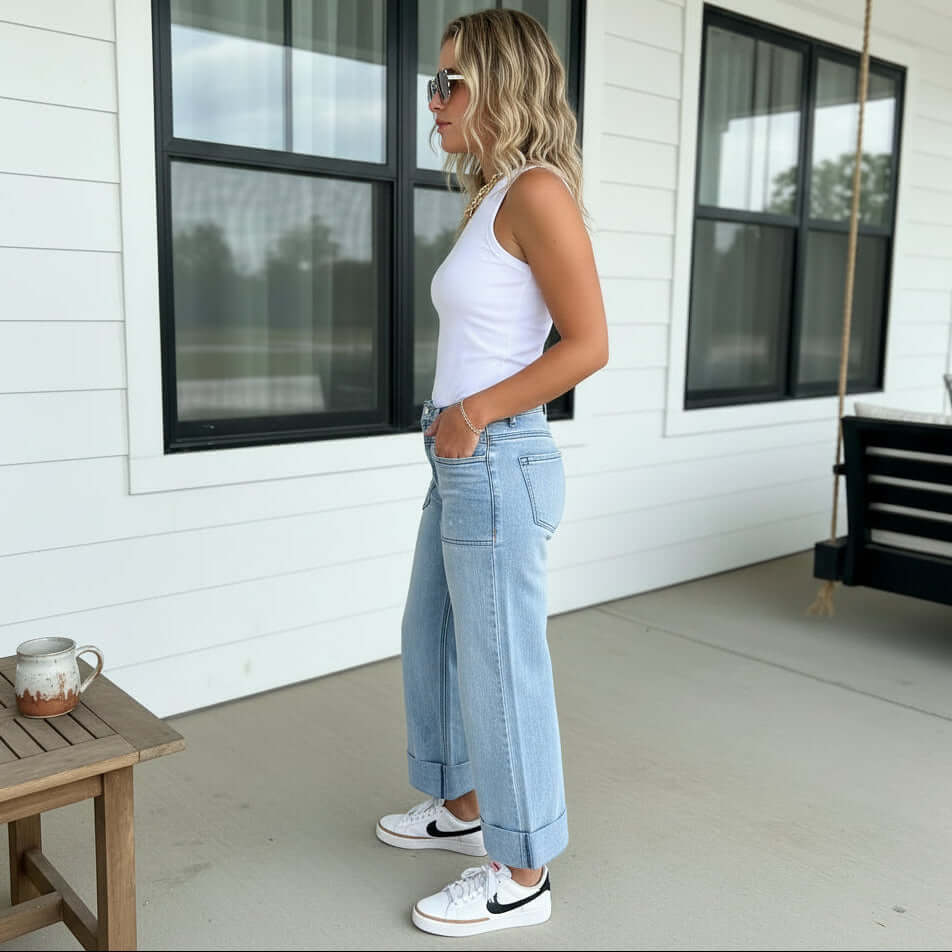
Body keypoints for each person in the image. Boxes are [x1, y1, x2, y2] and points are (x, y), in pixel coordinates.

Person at [374, 8, 608, 937]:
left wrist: (472, 415)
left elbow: (588, 345)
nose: (434, 102)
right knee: (428, 632)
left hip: (495, 458)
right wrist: (452, 425)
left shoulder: (538, 192)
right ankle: (465, 806)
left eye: (451, 84)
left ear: (503, 86)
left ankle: (521, 869)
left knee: (502, 670)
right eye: (432, 84)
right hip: (460, 457)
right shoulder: (496, 193)